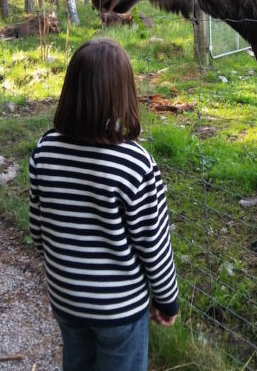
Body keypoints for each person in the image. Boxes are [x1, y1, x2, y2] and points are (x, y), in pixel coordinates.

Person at [29, 38, 178, 371]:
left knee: (77, 361)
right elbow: (153, 244)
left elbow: (38, 231)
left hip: (65, 297)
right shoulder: (135, 164)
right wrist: (167, 298)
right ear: (123, 94)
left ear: (71, 90)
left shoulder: (45, 150)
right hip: (119, 310)